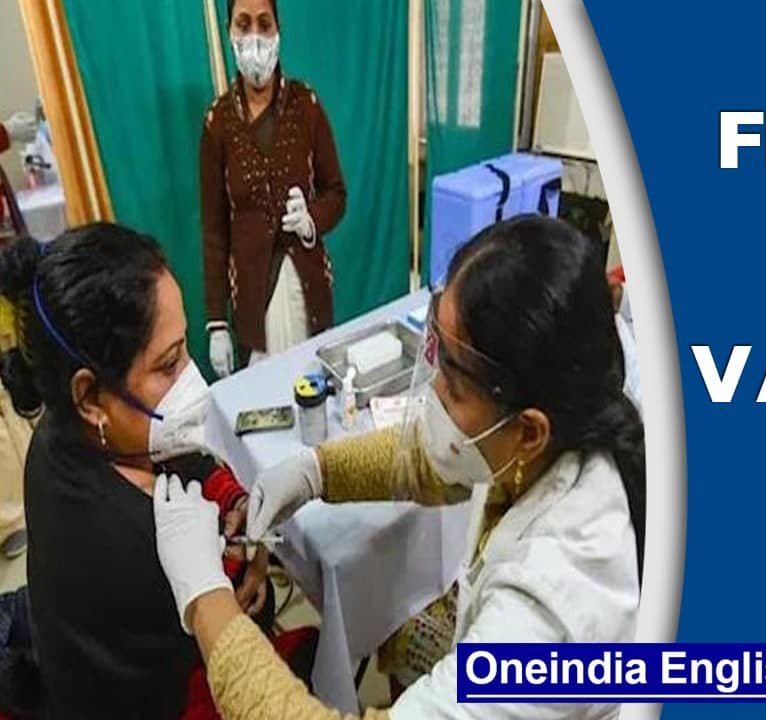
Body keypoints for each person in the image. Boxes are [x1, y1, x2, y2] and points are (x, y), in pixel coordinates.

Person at [153, 216, 645, 719]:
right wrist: (315, 471)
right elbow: (430, 459)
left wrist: (206, 598)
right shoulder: (570, 408)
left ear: (529, 431)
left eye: (454, 389)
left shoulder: (548, 618)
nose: (434, 394)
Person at [0, 225, 313, 718]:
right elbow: (228, 660)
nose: (192, 379)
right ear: (90, 397)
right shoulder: (127, 540)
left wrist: (233, 499)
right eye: (169, 364)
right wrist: (226, 584)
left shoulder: (64, 435)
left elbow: (181, 455)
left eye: (184, 348)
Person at [202, 0, 346, 377]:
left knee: (313, 386)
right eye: (243, 24)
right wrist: (217, 323)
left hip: (307, 287)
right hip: (253, 299)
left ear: (278, 32)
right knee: (267, 394)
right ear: (229, 32)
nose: (254, 37)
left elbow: (336, 193)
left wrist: (311, 220)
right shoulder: (217, 122)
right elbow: (214, 232)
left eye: (264, 24)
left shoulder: (306, 105)